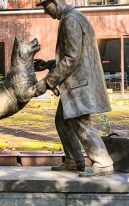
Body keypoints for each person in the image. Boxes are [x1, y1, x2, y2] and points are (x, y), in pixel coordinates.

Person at [34, 0, 114, 177]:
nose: (46, 13)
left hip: (78, 84)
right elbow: (76, 55)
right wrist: (49, 64)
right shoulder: (74, 17)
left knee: (80, 123)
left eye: (46, 7)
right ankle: (73, 160)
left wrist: (47, 82)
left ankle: (103, 162)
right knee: (62, 120)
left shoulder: (70, 20)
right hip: (77, 81)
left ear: (54, 3)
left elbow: (71, 59)